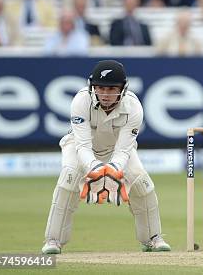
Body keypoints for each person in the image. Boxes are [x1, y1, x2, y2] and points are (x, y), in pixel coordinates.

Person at [41, 60, 171, 254]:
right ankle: (53, 240)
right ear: (92, 87)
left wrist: (112, 170)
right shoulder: (80, 101)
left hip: (116, 151)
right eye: (101, 88)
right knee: (67, 181)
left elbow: (123, 150)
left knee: (143, 185)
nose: (106, 94)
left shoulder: (134, 107)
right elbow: (82, 145)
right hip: (79, 147)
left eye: (112, 89)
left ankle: (153, 238)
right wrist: (95, 168)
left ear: (123, 88)